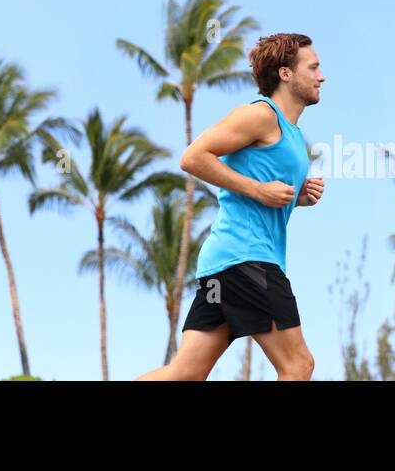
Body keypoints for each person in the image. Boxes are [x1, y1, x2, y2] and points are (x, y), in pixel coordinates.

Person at [137, 33, 325, 381]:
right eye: (313, 68)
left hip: (224, 265)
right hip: (248, 260)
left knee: (185, 374)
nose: (321, 76)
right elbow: (193, 157)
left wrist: (297, 197)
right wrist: (259, 191)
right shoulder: (260, 116)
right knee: (298, 365)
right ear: (285, 74)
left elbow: (264, 188)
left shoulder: (293, 135)